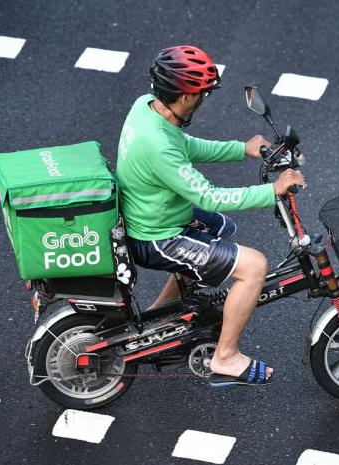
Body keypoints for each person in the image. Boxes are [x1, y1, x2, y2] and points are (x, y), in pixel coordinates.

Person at [115, 45, 305, 386]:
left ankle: (158, 322)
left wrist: (240, 149)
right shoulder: (158, 147)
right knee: (255, 266)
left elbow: (184, 145)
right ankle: (226, 357)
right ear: (186, 96)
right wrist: (272, 190)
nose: (203, 100)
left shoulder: (146, 108)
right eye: (201, 94)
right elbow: (208, 194)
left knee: (221, 227)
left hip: (149, 216)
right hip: (157, 237)